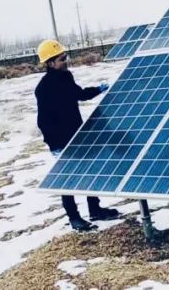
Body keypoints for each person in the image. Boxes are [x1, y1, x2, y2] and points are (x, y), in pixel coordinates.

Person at [35, 39, 120, 231]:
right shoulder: (44, 88)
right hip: (59, 141)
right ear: (50, 63)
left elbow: (78, 94)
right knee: (68, 178)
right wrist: (56, 145)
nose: (66, 61)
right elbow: (43, 121)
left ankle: (95, 209)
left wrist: (98, 90)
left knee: (89, 171)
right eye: (61, 59)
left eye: (65, 57)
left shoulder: (66, 77)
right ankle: (74, 217)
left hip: (77, 135)